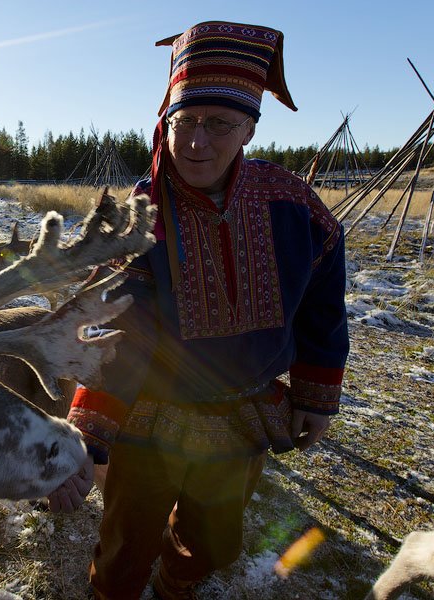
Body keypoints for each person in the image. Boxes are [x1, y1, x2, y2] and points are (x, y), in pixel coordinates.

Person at [46, 20, 350, 600]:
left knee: (214, 542)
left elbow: (322, 304)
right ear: (166, 121)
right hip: (148, 419)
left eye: (219, 124)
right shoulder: (141, 216)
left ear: (249, 130)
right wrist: (86, 437)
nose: (196, 142)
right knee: (125, 543)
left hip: (241, 416)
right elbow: (113, 329)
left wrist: (315, 391)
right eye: (184, 122)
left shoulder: (294, 207)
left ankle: (177, 582)